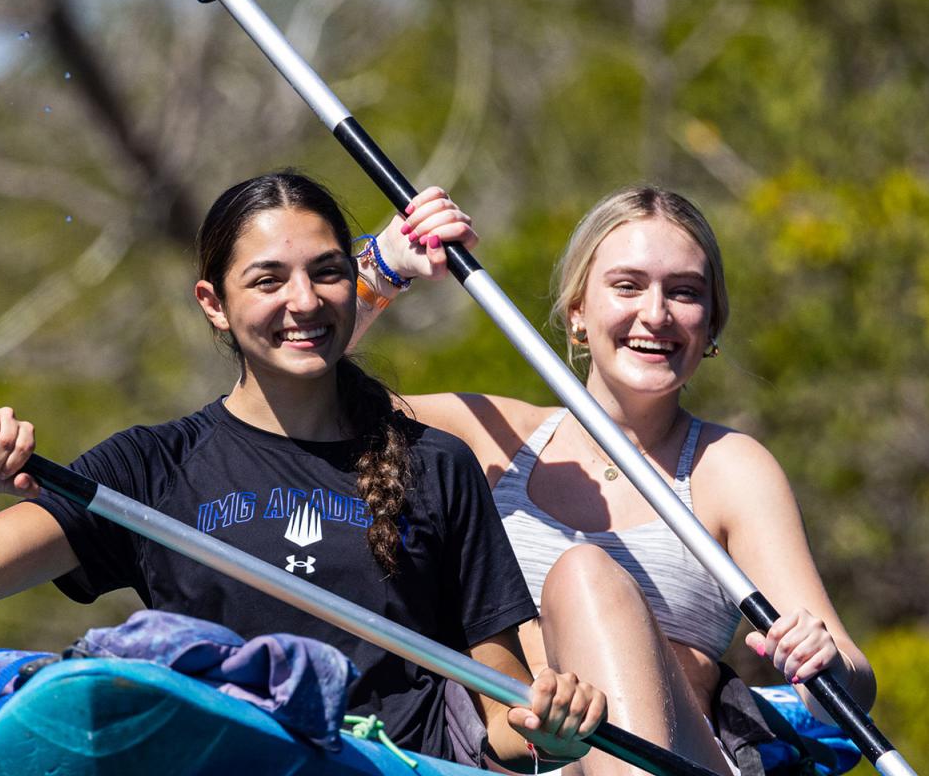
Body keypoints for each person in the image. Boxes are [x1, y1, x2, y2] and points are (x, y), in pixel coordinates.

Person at [0, 171, 606, 772]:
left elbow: (502, 717)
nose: (304, 301)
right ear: (213, 303)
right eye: (268, 280)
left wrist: (547, 729)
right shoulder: (149, 468)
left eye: (327, 272)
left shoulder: (438, 465)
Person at [352, 185, 877, 775]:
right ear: (578, 311)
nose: (656, 314)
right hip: (516, 760)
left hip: (678, 761)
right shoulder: (488, 436)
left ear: (711, 324)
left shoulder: (731, 467)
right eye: (627, 286)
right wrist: (384, 266)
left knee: (585, 575)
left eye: (684, 292)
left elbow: (851, 691)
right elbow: (301, 383)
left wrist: (825, 662)